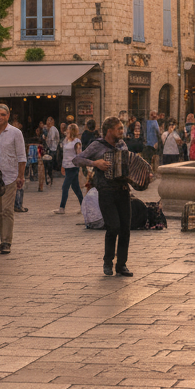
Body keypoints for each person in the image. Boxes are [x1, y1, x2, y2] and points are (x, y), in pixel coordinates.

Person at [75, 116, 135, 277]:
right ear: (110, 131)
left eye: (122, 128)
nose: (122, 131)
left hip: (122, 190)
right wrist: (95, 163)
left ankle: (121, 265)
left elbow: (128, 165)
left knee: (125, 229)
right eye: (119, 129)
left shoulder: (122, 145)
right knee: (113, 226)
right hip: (106, 191)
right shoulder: (97, 145)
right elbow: (77, 159)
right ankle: (108, 261)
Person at [0, 104, 26, 255]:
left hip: (10, 175)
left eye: (3, 114)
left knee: (7, 209)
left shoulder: (15, 133)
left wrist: (21, 175)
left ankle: (7, 241)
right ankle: (2, 238)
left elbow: (22, 156)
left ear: (8, 116)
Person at [56, 123, 84, 214]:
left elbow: (79, 154)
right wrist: (63, 165)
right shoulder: (66, 140)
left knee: (65, 186)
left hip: (73, 167)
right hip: (67, 165)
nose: (66, 130)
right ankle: (84, 206)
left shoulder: (77, 141)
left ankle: (62, 208)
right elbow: (64, 154)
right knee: (75, 188)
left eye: (68, 129)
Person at [43, 117, 60, 186]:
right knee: (49, 164)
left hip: (52, 149)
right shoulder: (51, 129)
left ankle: (50, 177)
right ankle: (49, 177)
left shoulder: (52, 129)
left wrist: (46, 139)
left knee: (49, 164)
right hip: (52, 148)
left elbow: (51, 139)